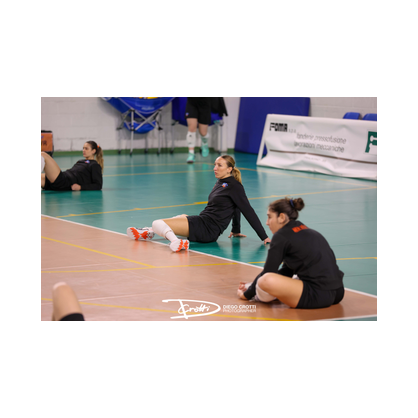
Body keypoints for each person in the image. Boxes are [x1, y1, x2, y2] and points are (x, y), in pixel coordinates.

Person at [127, 155, 271, 252]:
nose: (215, 168)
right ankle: (149, 232)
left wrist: (264, 236)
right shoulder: (222, 182)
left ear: (229, 169)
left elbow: (247, 210)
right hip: (204, 223)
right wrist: (236, 230)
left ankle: (176, 242)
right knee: (181, 216)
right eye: (215, 165)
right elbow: (235, 207)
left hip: (207, 229)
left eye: (219, 165)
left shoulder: (234, 186)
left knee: (157, 222)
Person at [237, 197, 345, 309]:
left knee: (265, 280)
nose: (267, 222)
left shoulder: (281, 236)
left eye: (270, 217)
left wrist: (247, 294)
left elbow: (268, 272)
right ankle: (257, 289)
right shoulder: (306, 230)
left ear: (282, 217)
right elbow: (287, 271)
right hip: (338, 292)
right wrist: (253, 285)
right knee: (276, 278)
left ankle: (259, 295)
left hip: (316, 296)